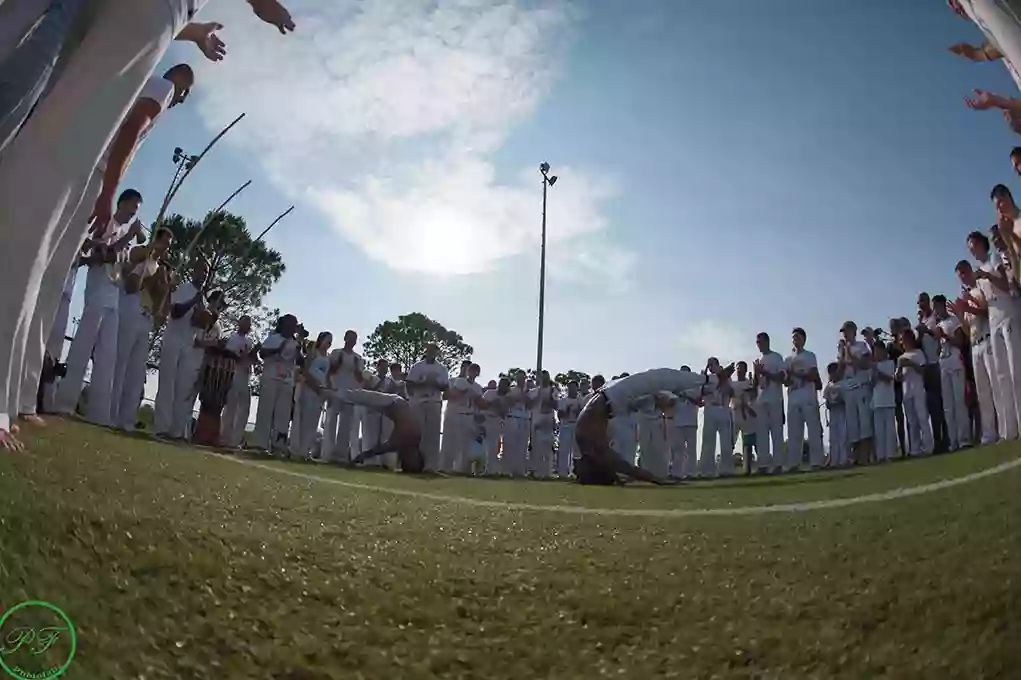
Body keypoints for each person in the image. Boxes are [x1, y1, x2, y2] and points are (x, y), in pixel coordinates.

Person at [0, 0, 295, 450]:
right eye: (185, 92)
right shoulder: (157, 88)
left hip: (92, 146)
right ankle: (13, 395)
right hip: (87, 165)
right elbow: (130, 120)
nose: (181, 99)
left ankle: (20, 394)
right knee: (42, 198)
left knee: (46, 252)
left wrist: (192, 31)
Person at [573, 367, 718, 485]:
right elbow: (627, 468)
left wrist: (614, 476)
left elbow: (619, 466)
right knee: (659, 377)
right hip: (615, 397)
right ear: (592, 467)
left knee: (658, 386)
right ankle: (708, 380)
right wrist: (657, 481)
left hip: (614, 401)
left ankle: (703, 386)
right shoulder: (592, 444)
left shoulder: (588, 443)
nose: (575, 469)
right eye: (580, 471)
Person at [110, 226, 174, 432]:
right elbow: (131, 285)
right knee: (120, 363)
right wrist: (150, 279)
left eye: (168, 246)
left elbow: (159, 305)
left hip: (145, 317)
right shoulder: (141, 254)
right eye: (164, 243)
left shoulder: (159, 267)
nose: (165, 249)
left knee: (136, 371)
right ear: (157, 240)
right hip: (131, 307)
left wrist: (164, 289)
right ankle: (110, 413)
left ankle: (126, 419)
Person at [968, 225, 1021, 441]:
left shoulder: (995, 260)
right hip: (992, 316)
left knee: (1015, 369)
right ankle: (1008, 430)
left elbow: (1006, 285)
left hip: (1007, 309)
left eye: (972, 244)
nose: (970, 249)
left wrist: (987, 276)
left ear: (981, 244)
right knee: (1001, 375)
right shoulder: (979, 272)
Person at [153, 260, 207, 439]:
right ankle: (161, 427)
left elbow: (197, 323)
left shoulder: (202, 298)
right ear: (194, 271)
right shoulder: (184, 289)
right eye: (201, 271)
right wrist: (193, 301)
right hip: (173, 339)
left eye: (206, 272)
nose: (204, 275)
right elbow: (175, 312)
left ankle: (176, 431)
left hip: (188, 344)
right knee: (167, 384)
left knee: (182, 388)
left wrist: (205, 313)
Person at [953, 259, 999, 445]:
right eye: (960, 276)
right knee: (982, 392)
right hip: (974, 345)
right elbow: (966, 329)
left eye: (964, 273)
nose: (963, 278)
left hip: (987, 339)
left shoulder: (980, 287)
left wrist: (967, 305)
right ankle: (989, 434)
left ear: (970, 270)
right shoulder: (965, 296)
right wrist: (959, 314)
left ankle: (1005, 426)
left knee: (996, 385)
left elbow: (985, 311)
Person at [345, 390, 424, 473]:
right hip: (394, 402)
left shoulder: (398, 443)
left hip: (393, 407)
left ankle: (341, 393)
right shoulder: (415, 438)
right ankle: (341, 393)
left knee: (362, 399)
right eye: (415, 460)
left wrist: (359, 458)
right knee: (361, 397)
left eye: (410, 461)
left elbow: (377, 450)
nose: (412, 457)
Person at [253, 314, 299, 453]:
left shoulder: (295, 342)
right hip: (271, 378)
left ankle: (278, 445)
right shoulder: (274, 338)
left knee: (283, 415)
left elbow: (300, 361)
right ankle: (260, 444)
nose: (295, 327)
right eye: (293, 324)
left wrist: (299, 348)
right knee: (265, 412)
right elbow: (262, 353)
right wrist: (278, 350)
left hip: (287, 381)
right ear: (285, 324)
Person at [932, 295, 971, 452]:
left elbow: (960, 343)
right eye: (934, 308)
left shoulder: (954, 321)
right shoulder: (939, 325)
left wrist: (945, 336)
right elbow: (938, 349)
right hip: (944, 364)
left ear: (943, 305)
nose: (936, 311)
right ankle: (953, 441)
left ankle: (964, 439)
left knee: (959, 402)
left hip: (955, 362)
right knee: (948, 405)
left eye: (937, 307)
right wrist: (938, 339)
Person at [321, 330, 364, 463]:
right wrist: (338, 363)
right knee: (331, 421)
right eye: (350, 338)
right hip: (335, 389)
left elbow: (360, 378)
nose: (352, 341)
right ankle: (327, 454)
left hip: (350, 392)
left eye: (354, 339)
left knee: (346, 424)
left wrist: (357, 368)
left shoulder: (358, 358)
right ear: (345, 338)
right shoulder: (336, 353)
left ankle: (341, 454)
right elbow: (330, 371)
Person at [405, 343, 448, 472]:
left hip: (434, 402)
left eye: (434, 351)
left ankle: (431, 466)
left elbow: (445, 386)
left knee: (433, 434)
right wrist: (421, 384)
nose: (431, 353)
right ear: (426, 351)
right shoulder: (417, 367)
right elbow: (409, 383)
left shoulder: (442, 368)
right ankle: (414, 463)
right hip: (418, 402)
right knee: (417, 433)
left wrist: (435, 383)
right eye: (429, 351)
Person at [785, 327, 823, 470]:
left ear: (804, 339)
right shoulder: (788, 359)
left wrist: (796, 373)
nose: (795, 340)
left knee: (813, 429)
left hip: (808, 395)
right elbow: (786, 381)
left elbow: (813, 376)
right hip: (793, 395)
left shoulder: (810, 356)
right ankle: (794, 463)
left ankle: (817, 462)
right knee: (794, 432)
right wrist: (788, 376)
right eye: (793, 337)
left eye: (798, 337)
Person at [838, 321, 874, 465]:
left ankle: (867, 455)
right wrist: (842, 358)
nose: (845, 334)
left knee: (865, 422)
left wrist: (849, 355)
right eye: (843, 332)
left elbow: (865, 364)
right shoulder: (842, 350)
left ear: (854, 331)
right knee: (852, 424)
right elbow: (839, 373)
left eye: (847, 331)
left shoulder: (861, 346)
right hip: (848, 387)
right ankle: (857, 456)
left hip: (861, 385)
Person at [917, 293, 949, 452]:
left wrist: (926, 331)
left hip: (939, 362)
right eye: (918, 302)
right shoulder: (921, 321)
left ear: (927, 301)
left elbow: (939, 335)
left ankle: (947, 438)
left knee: (942, 404)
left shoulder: (935, 318)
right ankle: (938, 441)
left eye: (922, 301)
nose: (919, 304)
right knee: (932, 405)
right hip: (927, 366)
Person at [219, 316, 257, 449]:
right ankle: (224, 438)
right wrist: (240, 358)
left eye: (249, 324)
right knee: (230, 408)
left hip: (246, 376)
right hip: (234, 374)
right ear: (239, 324)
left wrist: (254, 360)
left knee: (243, 410)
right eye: (245, 323)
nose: (247, 326)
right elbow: (228, 354)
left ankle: (235, 440)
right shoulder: (233, 339)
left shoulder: (249, 341)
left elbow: (253, 358)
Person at [294, 332, 332, 460]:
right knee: (304, 419)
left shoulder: (328, 357)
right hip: (309, 388)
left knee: (313, 422)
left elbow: (327, 376)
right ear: (321, 340)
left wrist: (326, 390)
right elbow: (305, 370)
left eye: (330, 341)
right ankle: (298, 449)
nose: (328, 343)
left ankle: (306, 450)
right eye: (327, 340)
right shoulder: (312, 353)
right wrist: (313, 385)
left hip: (320, 391)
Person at [898, 329, 934, 457]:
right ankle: (915, 449)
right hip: (906, 391)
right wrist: (900, 367)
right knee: (911, 421)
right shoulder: (901, 358)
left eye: (903, 339)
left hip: (918, 389)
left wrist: (911, 364)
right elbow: (898, 378)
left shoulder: (918, 353)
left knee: (922, 418)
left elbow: (922, 371)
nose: (901, 342)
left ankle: (929, 447)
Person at [753, 332, 786, 473]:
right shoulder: (758, 360)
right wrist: (756, 373)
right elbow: (755, 384)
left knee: (776, 433)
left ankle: (778, 464)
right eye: (757, 342)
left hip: (774, 399)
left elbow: (781, 377)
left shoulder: (776, 357)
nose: (758, 344)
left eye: (760, 341)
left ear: (767, 341)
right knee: (761, 434)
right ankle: (763, 465)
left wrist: (764, 372)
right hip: (761, 400)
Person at [699, 357, 732, 477]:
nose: (711, 367)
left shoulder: (726, 377)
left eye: (712, 364)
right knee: (708, 442)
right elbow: (700, 393)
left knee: (726, 442)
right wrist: (705, 375)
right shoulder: (705, 378)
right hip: (709, 409)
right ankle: (707, 470)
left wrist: (723, 380)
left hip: (723, 409)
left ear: (718, 365)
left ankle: (726, 469)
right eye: (709, 365)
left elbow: (730, 391)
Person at [666, 365, 701, 479]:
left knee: (691, 450)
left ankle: (691, 473)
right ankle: (676, 473)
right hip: (678, 421)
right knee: (678, 449)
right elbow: (669, 403)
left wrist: (685, 395)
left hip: (691, 421)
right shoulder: (675, 388)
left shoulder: (695, 387)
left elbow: (698, 401)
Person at [501, 371, 532, 477]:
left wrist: (525, 395)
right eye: (519, 378)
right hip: (512, 417)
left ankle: (519, 471)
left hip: (525, 418)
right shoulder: (512, 390)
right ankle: (506, 470)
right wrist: (517, 398)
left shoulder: (529, 391)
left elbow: (531, 405)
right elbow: (507, 402)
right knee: (509, 445)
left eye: (523, 378)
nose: (521, 380)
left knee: (522, 446)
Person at [871, 344, 897, 463]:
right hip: (877, 402)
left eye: (877, 351)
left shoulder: (890, 363)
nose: (876, 354)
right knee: (879, 431)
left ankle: (890, 454)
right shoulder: (874, 366)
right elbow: (872, 383)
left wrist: (876, 370)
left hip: (888, 401)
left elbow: (889, 379)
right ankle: (881, 455)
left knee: (889, 429)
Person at [729, 361, 756, 472]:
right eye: (738, 368)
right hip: (735, 413)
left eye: (742, 368)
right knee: (730, 442)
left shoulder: (749, 382)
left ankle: (747, 468)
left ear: (745, 370)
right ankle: (726, 467)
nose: (739, 370)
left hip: (747, 415)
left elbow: (753, 396)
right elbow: (731, 396)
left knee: (748, 442)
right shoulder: (732, 384)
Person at [481, 377, 510, 475]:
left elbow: (504, 413)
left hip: (497, 421)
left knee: (493, 447)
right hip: (486, 419)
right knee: (485, 446)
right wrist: (492, 403)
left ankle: (491, 471)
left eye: (505, 386)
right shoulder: (489, 393)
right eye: (502, 385)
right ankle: (484, 469)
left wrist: (500, 406)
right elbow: (482, 405)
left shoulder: (506, 398)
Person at [823, 362, 849, 468]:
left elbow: (846, 400)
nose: (832, 375)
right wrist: (829, 402)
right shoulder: (829, 386)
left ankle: (843, 459)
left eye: (834, 372)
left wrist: (839, 400)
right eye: (830, 373)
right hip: (832, 414)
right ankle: (834, 460)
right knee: (833, 438)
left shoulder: (843, 384)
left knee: (843, 436)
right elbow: (826, 401)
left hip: (842, 413)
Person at [554, 380, 582, 477]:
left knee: (576, 451)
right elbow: (559, 416)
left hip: (576, 426)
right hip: (565, 425)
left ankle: (575, 472)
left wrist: (578, 411)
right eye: (570, 387)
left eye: (574, 387)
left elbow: (583, 415)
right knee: (564, 450)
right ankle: (562, 473)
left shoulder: (580, 401)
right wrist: (567, 410)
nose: (572, 389)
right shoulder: (563, 400)